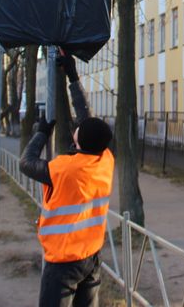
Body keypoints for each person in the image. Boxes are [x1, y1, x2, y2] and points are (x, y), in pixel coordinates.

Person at [20, 49, 115, 307]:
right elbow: (87, 117)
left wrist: (40, 134)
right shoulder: (104, 159)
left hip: (63, 260)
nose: (76, 127)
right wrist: (72, 75)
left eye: (77, 130)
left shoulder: (64, 169)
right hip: (90, 257)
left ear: (80, 140)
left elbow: (26, 164)